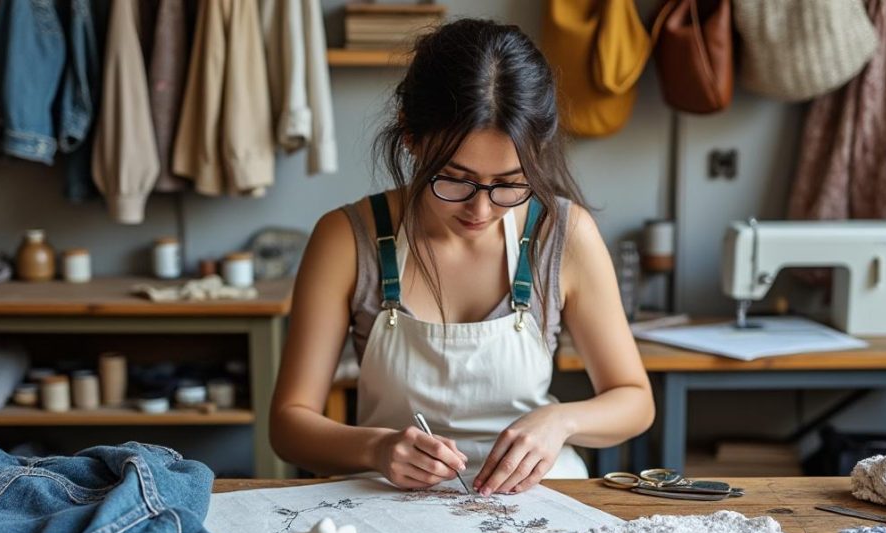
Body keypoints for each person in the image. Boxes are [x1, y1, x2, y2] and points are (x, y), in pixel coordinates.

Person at [270, 18, 653, 496]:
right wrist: (377, 449)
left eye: (511, 183)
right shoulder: (348, 238)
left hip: (537, 500)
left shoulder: (564, 234)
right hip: (389, 500)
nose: (482, 209)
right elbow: (288, 424)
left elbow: (635, 401)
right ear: (411, 138)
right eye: (454, 179)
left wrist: (561, 421)